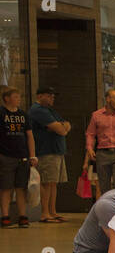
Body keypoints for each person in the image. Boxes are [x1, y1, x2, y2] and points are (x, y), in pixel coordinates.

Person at [27, 86, 71, 223]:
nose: (52, 98)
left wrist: (61, 126)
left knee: (53, 183)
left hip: (56, 151)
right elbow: (62, 130)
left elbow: (66, 125)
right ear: (40, 96)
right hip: (46, 151)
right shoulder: (37, 110)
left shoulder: (50, 110)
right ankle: (44, 213)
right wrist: (60, 127)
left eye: (53, 96)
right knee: (46, 182)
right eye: (49, 95)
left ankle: (52, 211)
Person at [84, 88, 115, 199]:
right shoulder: (96, 115)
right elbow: (90, 134)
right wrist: (90, 148)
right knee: (104, 186)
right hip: (103, 152)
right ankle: (107, 210)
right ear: (107, 99)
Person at [1, 85, 36, 229]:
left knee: (21, 187)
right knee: (6, 187)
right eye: (15, 97)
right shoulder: (1, 114)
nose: (18, 99)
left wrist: (32, 155)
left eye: (19, 97)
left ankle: (23, 216)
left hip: (22, 156)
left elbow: (29, 136)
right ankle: (5, 216)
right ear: (7, 99)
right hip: (6, 155)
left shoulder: (23, 115)